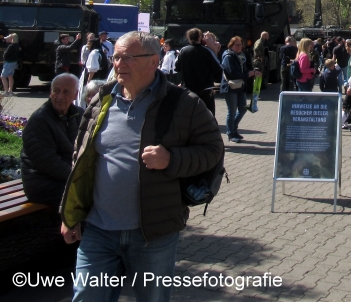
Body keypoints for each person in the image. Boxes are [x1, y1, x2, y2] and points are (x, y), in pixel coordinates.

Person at [60, 31, 223, 302]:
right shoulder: (102, 100)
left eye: (128, 58)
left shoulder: (183, 104)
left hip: (152, 234)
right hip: (98, 231)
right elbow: (82, 158)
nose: (118, 64)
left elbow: (213, 151)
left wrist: (171, 160)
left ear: (153, 62)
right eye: (116, 57)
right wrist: (70, 214)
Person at [20, 73, 83, 206]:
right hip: (42, 183)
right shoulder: (40, 119)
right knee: (87, 194)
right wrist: (79, 177)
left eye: (66, 92)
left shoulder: (79, 114)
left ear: (76, 94)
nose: (60, 97)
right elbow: (48, 162)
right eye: (56, 91)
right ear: (50, 92)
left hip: (66, 177)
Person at [175, 28, 223, 116]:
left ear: (188, 37)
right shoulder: (207, 51)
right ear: (200, 37)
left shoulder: (183, 50)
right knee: (208, 115)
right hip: (205, 89)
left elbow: (176, 67)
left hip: (188, 89)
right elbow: (218, 67)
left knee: (189, 115)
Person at [221, 36, 256, 142]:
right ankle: (231, 133)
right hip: (230, 86)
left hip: (240, 86)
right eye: (236, 45)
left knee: (243, 109)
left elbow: (246, 69)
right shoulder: (228, 56)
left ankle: (233, 129)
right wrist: (247, 74)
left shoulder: (241, 56)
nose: (239, 47)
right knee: (231, 111)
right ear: (231, 45)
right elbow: (231, 73)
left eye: (240, 45)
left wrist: (253, 72)